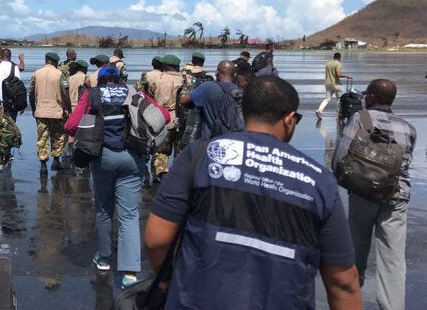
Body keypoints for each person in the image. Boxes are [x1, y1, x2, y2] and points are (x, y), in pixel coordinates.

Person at [145, 76, 362, 309]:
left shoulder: (200, 155)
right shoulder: (319, 180)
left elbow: (157, 239)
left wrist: (169, 282)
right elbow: (343, 282)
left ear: (244, 111)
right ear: (289, 119)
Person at [65, 66, 170, 289]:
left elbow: (71, 125)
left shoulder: (92, 94)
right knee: (129, 215)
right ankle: (130, 272)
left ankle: (103, 258)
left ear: (101, 81)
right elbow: (164, 115)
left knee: (103, 209)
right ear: (119, 79)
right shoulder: (135, 92)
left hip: (103, 158)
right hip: (133, 158)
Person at [332, 79, 416, 310]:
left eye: (367, 94)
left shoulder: (360, 118)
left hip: (363, 194)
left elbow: (339, 157)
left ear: (373, 98)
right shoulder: (408, 127)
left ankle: (351, 302)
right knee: (393, 259)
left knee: (356, 252)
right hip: (396, 198)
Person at [29, 52, 70, 171]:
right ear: (55, 62)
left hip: (41, 111)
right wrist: (69, 109)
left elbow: (31, 94)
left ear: (46, 60)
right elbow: (65, 93)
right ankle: (56, 161)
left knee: (42, 137)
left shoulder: (37, 73)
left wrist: (33, 109)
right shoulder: (59, 74)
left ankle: (43, 165)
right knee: (57, 136)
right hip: (56, 111)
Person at [179, 60, 240, 139]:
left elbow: (183, 101)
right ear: (235, 75)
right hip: (234, 140)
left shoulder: (207, 87)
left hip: (210, 140)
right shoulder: (240, 91)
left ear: (217, 72)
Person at [150, 55, 183, 181]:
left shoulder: (158, 80)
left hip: (163, 119)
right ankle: (179, 177)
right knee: (180, 152)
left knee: (161, 151)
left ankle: (161, 176)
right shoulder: (187, 79)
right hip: (181, 121)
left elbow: (148, 98)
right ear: (177, 66)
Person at [0, 48, 25, 121]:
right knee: (12, 129)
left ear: (1, 56)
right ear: (10, 57)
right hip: (12, 105)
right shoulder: (14, 68)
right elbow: (18, 87)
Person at [315, 53, 352, 119]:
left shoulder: (328, 63)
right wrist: (347, 76)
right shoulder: (338, 64)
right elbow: (338, 74)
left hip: (328, 83)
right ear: (339, 58)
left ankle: (319, 110)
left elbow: (331, 74)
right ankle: (338, 114)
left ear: (334, 57)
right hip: (336, 84)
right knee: (339, 99)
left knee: (327, 99)